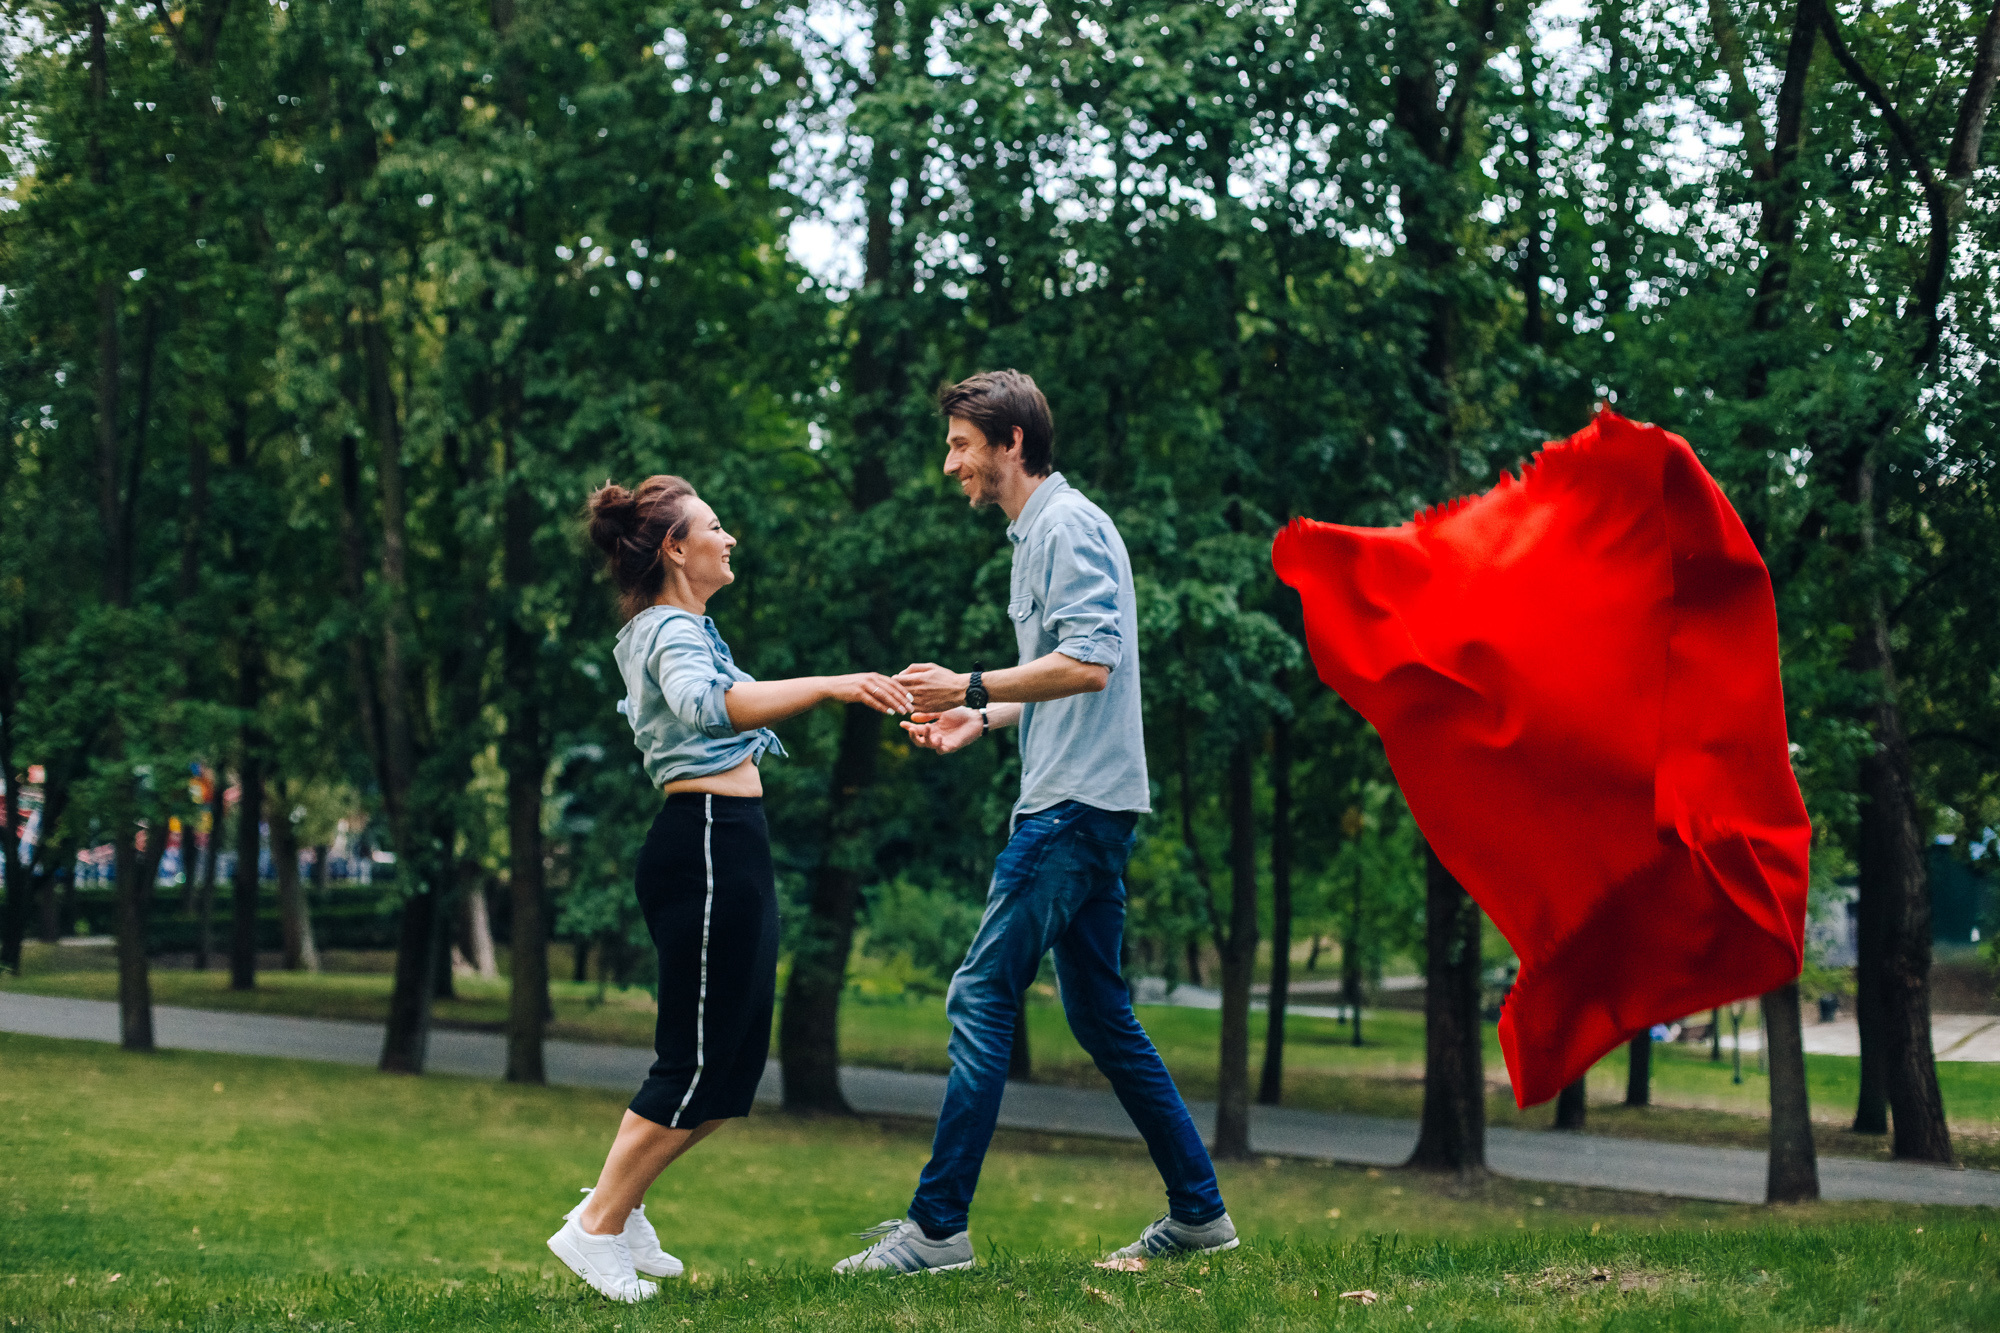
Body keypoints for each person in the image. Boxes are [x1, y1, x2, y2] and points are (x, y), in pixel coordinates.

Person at [834, 371, 1237, 1275]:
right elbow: (1065, 675)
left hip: (1070, 812)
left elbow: (1091, 663)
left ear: (1011, 441)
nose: (951, 464)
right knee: (1101, 1016)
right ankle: (1199, 1213)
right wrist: (981, 716)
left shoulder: (1067, 526)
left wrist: (970, 683)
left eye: (961, 445)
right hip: (1085, 803)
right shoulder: (1037, 534)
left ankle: (937, 1229)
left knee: (980, 994)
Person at [550, 475, 912, 1302]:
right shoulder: (670, 630)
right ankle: (595, 1225)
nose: (730, 537)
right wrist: (834, 684)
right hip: (705, 844)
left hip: (730, 842)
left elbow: (724, 701)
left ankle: (619, 1208)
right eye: (715, 525)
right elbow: (707, 705)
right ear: (676, 548)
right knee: (697, 1057)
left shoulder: (685, 627)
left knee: (733, 1066)